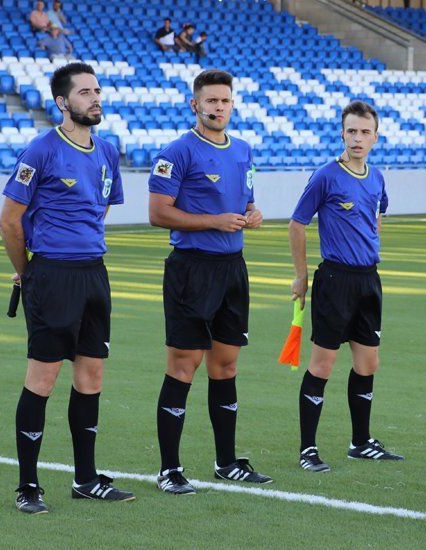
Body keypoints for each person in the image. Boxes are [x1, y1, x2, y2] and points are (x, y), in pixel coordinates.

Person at [0, 62, 133, 514]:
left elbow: (100, 209)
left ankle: (86, 479)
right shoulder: (40, 151)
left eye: (97, 90)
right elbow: (9, 220)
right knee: (43, 378)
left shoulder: (107, 151)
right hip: (51, 276)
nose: (95, 98)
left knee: (91, 376)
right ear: (62, 102)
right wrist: (28, 269)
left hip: (94, 273)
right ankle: (28, 485)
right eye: (84, 92)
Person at [148, 69, 271, 495]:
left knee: (227, 365)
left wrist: (252, 214)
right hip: (191, 270)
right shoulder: (177, 151)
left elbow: (248, 200)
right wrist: (213, 222)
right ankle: (169, 470)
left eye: (225, 101)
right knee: (185, 365)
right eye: (211, 101)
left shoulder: (243, 150)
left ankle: (226, 462)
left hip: (233, 269)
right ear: (195, 105)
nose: (218, 107)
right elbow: (158, 212)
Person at [288, 100, 404, 473]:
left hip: (368, 280)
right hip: (334, 280)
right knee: (323, 364)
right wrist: (302, 275)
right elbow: (297, 223)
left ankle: (360, 442)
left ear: (376, 136)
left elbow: (376, 217)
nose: (357, 138)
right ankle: (308, 449)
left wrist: (372, 251)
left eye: (364, 132)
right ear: (342, 133)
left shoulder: (377, 177)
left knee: (368, 363)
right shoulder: (326, 176)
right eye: (351, 131)